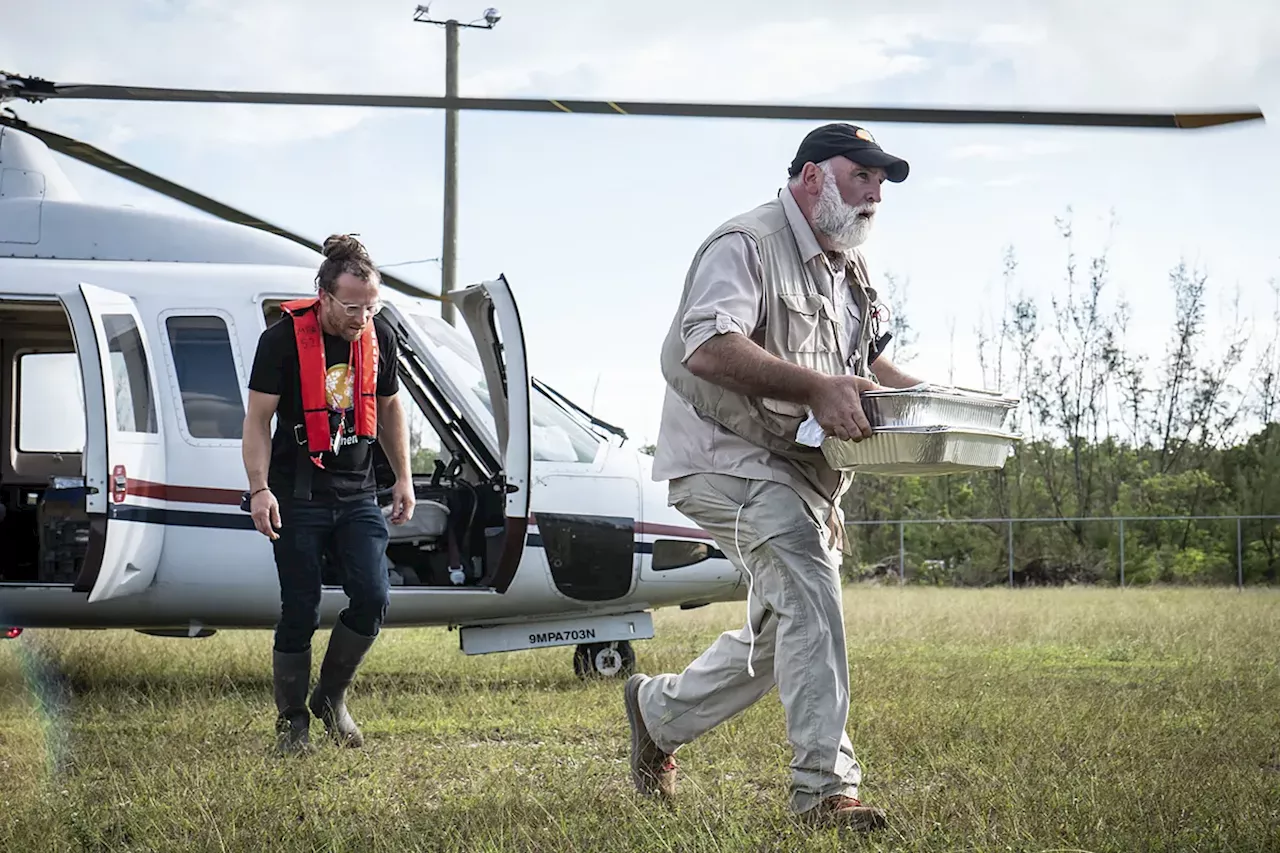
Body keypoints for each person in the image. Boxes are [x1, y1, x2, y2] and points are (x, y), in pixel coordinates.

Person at [624, 123, 926, 830]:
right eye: (863, 176)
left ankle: (655, 712)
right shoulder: (746, 243)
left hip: (799, 474)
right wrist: (818, 387)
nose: (875, 194)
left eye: (882, 184)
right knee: (810, 589)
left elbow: (868, 363)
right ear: (813, 176)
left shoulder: (848, 268)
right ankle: (824, 789)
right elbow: (705, 345)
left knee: (778, 633)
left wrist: (939, 405)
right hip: (722, 462)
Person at [241, 234, 416, 754]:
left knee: (373, 597)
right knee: (300, 607)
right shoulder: (280, 339)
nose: (363, 317)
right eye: (352, 306)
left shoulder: (379, 334)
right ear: (322, 294)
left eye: (371, 305)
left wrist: (403, 477)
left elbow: (388, 408)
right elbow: (256, 420)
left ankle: (330, 698)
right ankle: (292, 719)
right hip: (297, 492)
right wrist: (259, 489)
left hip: (358, 490)